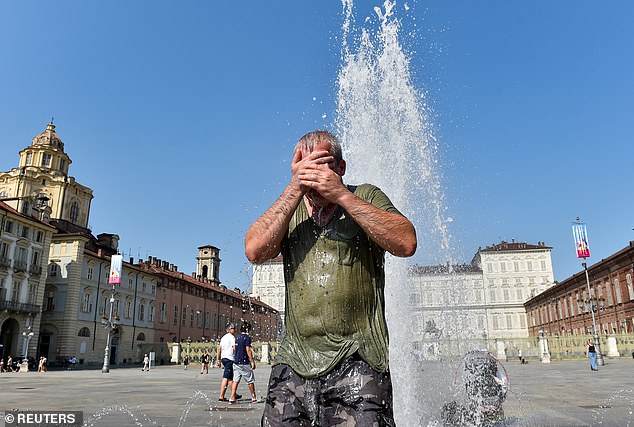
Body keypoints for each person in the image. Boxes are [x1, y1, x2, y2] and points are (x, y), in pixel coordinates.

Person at [245, 130, 417, 426]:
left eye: (321, 164)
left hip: (358, 359)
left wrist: (341, 195)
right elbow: (254, 250)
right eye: (305, 166)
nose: (313, 177)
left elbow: (406, 242)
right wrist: (293, 187)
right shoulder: (291, 209)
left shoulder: (364, 195)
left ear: (341, 168)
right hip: (294, 361)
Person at [229, 324, 258, 404]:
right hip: (244, 362)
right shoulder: (247, 338)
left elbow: (234, 348)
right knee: (250, 380)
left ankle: (232, 398)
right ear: (248, 330)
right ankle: (253, 397)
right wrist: (252, 361)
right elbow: (248, 349)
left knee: (235, 380)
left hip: (236, 362)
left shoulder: (237, 338)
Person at [217, 323, 241, 402]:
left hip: (224, 358)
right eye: (234, 328)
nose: (235, 330)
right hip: (229, 359)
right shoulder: (232, 337)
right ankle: (221, 396)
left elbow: (219, 349)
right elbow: (235, 348)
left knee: (230, 378)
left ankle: (234, 394)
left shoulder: (223, 337)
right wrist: (238, 356)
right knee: (226, 377)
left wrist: (218, 359)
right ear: (230, 329)